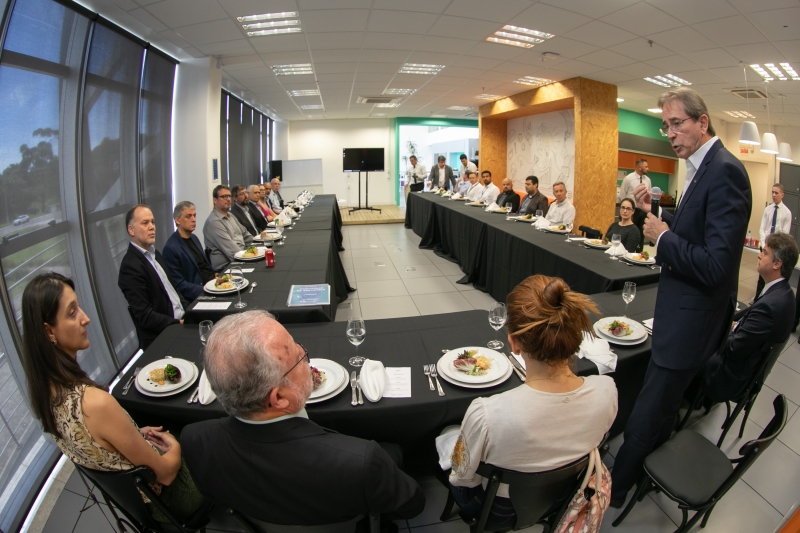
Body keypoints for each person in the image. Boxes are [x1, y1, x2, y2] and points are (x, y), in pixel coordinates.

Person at [611, 87, 751, 507]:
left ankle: (614, 493)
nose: (669, 134)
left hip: (692, 324)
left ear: (702, 122)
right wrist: (653, 216)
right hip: (683, 313)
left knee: (646, 413)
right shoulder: (700, 166)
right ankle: (652, 471)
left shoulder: (726, 170)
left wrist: (664, 236)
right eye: (665, 125)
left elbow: (715, 265)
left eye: (677, 123)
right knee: (665, 409)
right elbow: (698, 226)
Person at [181, 310, 425, 527]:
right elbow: (412, 505)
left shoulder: (193, 440)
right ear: (279, 399)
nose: (306, 357)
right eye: (300, 358)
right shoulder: (361, 462)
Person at [20, 273, 206, 522]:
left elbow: (99, 449)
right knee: (200, 436)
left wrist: (134, 434)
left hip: (134, 506)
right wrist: (175, 447)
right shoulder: (95, 403)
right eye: (72, 312)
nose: (85, 318)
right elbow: (166, 474)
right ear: (48, 331)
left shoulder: (44, 396)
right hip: (168, 504)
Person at [444, 275, 617, 527]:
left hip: (499, 509)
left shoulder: (487, 413)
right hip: (569, 496)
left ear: (513, 342)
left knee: (446, 440)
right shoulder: (607, 390)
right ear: (575, 336)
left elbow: (462, 477)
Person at [701, 233, 798, 403]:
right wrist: (736, 326)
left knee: (693, 346)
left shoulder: (769, 307)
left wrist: (722, 328)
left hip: (730, 379)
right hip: (748, 373)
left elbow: (732, 349)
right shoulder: (785, 295)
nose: (759, 255)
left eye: (765, 252)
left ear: (777, 264)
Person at [118, 205, 185, 350]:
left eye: (153, 222)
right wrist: (179, 323)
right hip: (164, 336)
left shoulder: (156, 255)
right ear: (131, 230)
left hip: (182, 320)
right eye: (145, 223)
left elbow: (173, 291)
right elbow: (146, 316)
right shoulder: (130, 267)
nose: (152, 227)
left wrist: (191, 311)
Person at [162, 201, 216, 302]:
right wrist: (207, 290)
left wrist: (216, 275)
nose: (193, 220)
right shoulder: (171, 248)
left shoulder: (194, 238)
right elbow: (179, 284)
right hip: (198, 295)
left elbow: (203, 264)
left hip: (212, 285)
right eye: (188, 216)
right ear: (177, 220)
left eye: (194, 216)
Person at [203, 185, 254, 271]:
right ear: (215, 200)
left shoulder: (230, 215)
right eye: (223, 196)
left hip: (241, 257)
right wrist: (251, 258)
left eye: (229, 196)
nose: (228, 199)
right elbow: (232, 251)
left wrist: (258, 246)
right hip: (227, 267)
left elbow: (246, 235)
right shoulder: (214, 222)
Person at [756, 183, 792, 295]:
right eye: (772, 192)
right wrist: (764, 244)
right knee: (762, 273)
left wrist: (774, 248)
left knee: (772, 275)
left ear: (782, 195)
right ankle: (758, 297)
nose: (773, 195)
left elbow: (784, 235)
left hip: (776, 251)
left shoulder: (787, 213)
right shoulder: (768, 210)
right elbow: (762, 228)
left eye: (776, 193)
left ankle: (769, 295)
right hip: (765, 247)